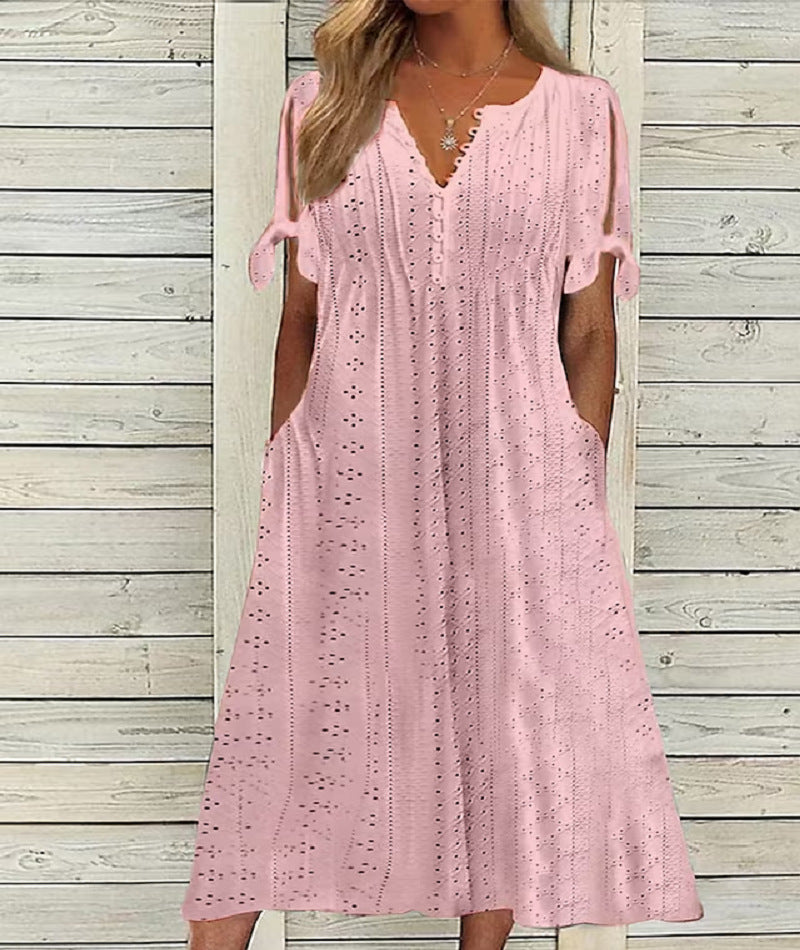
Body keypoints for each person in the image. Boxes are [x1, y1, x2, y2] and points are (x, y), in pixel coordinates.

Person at [181, 2, 705, 948]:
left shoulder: (581, 114)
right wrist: (290, 458)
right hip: (348, 464)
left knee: (499, 721)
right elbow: (301, 315)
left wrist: (573, 476)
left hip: (525, 473)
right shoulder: (323, 107)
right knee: (284, 717)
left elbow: (589, 329)